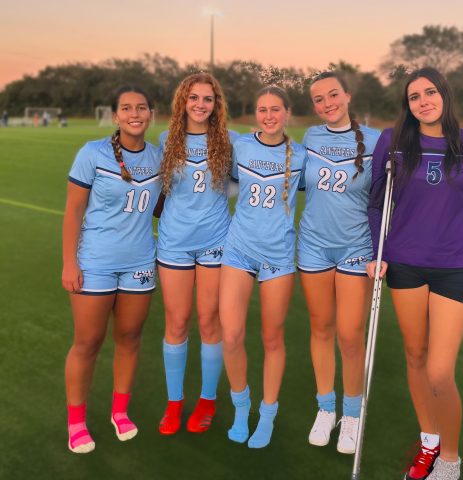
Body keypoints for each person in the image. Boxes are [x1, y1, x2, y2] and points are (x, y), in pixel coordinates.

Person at [367, 67, 463, 480]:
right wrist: (379, 251)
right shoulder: (393, 143)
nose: (423, 101)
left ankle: (450, 458)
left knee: (440, 370)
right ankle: (428, 442)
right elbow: (377, 202)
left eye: (430, 92)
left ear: (444, 95)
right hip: (405, 262)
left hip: (457, 266)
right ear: (407, 106)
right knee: (415, 355)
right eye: (414, 97)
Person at [62, 86, 161, 453]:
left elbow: (161, 206)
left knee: (130, 339)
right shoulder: (93, 153)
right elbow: (73, 210)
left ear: (150, 113)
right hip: (96, 262)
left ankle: (120, 412)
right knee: (87, 342)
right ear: (116, 116)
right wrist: (70, 262)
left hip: (139, 262)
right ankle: (76, 422)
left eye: (141, 107)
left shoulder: (158, 157)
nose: (134, 113)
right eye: (126, 108)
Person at [219, 86, 307, 449]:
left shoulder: (301, 155)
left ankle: (267, 413)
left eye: (275, 109)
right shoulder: (240, 147)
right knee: (231, 335)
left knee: (272, 338)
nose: (268, 115)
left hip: (279, 256)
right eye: (262, 109)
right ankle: (242, 406)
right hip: (239, 250)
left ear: (287, 113)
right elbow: (227, 189)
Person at [297, 71, 380, 454]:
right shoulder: (310, 138)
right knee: (321, 328)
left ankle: (352, 415)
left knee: (350, 335)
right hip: (313, 246)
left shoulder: (376, 141)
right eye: (319, 99)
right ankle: (325, 408)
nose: (327, 104)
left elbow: (387, 200)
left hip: (356, 249)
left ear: (347, 95)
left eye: (333, 95)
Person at [156, 72, 237, 435]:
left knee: (209, 321)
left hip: (215, 240)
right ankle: (174, 403)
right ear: (183, 102)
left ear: (216, 104)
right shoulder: (166, 140)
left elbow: (240, 182)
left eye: (208, 99)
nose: (200, 105)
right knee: (176, 322)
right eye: (194, 98)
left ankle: (206, 400)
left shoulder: (230, 142)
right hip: (174, 240)